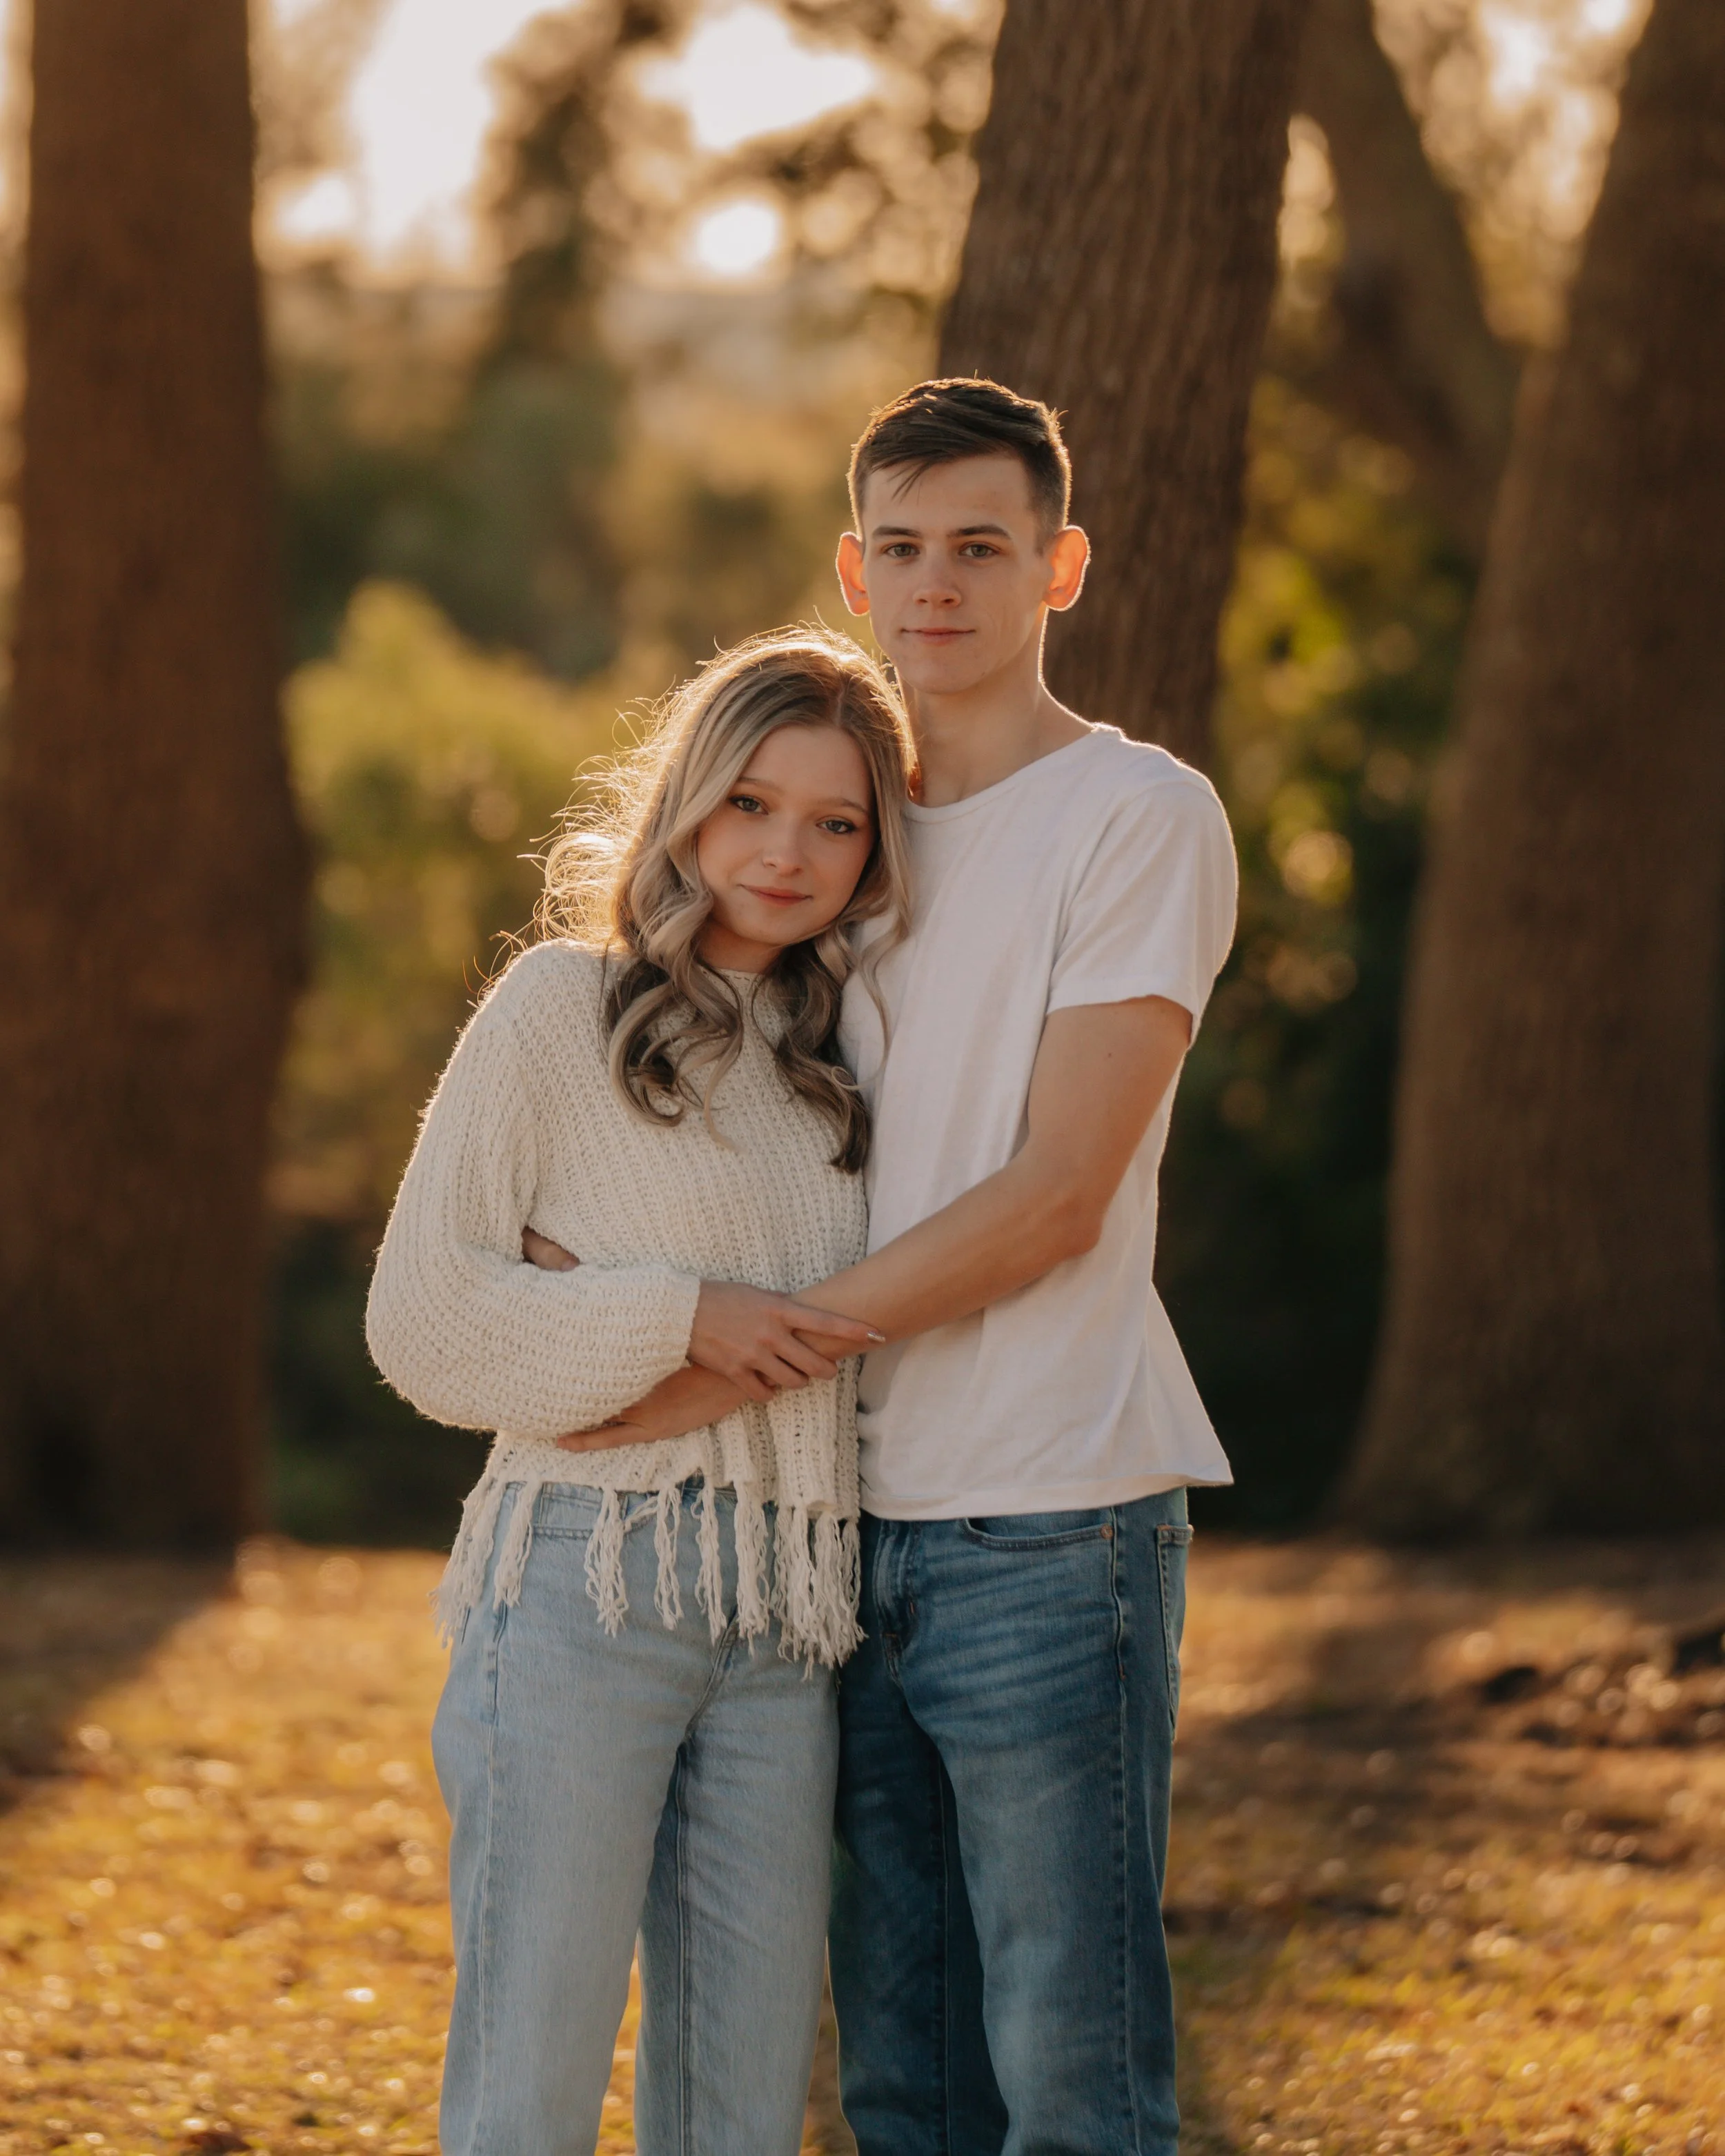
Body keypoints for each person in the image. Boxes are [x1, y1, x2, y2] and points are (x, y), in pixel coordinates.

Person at [593, 377, 1240, 2155]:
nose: (936, 583)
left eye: (979, 546)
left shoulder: (1135, 814)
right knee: (901, 2079)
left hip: (1049, 1514)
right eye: (900, 547)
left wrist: (741, 1350)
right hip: (830, 1530)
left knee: (1071, 2084)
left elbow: (1057, 1192)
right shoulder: (831, 840)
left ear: (1061, 567)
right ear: (851, 570)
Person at [364, 626, 916, 2156]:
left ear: (874, 849)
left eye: (835, 820)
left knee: (734, 2102)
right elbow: (424, 1315)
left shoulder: (847, 1056)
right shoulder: (559, 1008)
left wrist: (624, 1330)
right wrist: (680, 1309)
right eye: (749, 801)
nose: (785, 851)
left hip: (787, 1616)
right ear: (683, 800)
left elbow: (845, 1328)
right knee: (530, 2084)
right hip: (576, 1591)